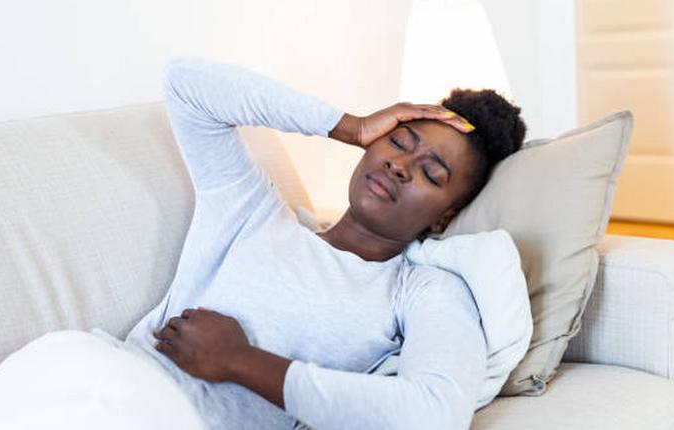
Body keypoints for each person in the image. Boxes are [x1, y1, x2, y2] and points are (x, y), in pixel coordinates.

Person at [115, 56, 526, 430]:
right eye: (399, 141)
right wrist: (350, 125)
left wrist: (240, 361)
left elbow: (437, 412)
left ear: (444, 218)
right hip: (103, 381)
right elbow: (186, 82)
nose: (399, 166)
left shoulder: (422, 292)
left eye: (431, 174)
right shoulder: (250, 210)